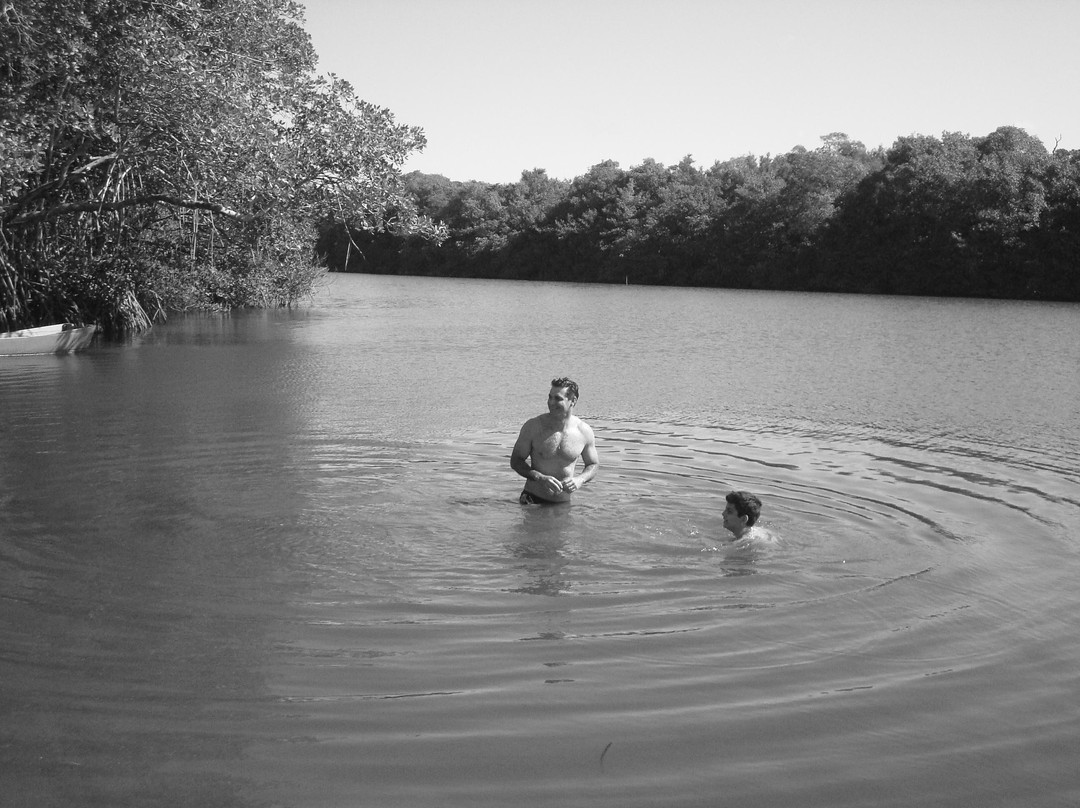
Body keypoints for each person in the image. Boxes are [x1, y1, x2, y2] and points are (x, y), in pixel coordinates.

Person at [511, 377, 598, 504]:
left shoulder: (584, 431)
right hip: (531, 500)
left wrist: (580, 480)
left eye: (558, 398)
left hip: (562, 504)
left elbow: (593, 464)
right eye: (550, 397)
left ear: (573, 401)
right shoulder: (533, 426)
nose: (551, 402)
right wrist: (539, 477)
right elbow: (516, 461)